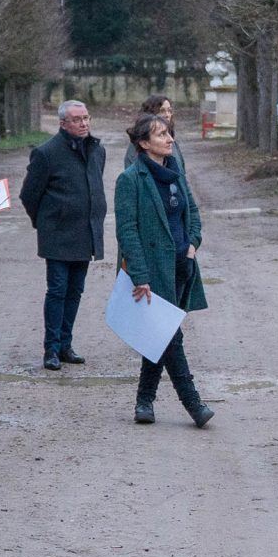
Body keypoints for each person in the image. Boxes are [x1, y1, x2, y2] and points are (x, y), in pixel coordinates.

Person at [114, 113, 212, 428]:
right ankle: (193, 404)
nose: (170, 139)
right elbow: (127, 232)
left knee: (160, 335)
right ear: (144, 143)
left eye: (169, 133)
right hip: (152, 271)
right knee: (171, 335)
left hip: (181, 266)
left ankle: (144, 401)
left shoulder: (176, 173)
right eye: (161, 135)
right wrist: (140, 276)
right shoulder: (130, 179)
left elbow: (193, 212)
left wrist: (193, 242)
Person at [20, 100, 106, 372]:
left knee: (75, 291)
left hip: (85, 232)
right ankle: (51, 348)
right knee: (57, 290)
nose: (84, 123)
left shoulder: (97, 150)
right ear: (63, 123)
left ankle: (66, 344)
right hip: (57, 234)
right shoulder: (46, 153)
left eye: (86, 118)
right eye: (77, 119)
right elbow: (29, 194)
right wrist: (46, 221)